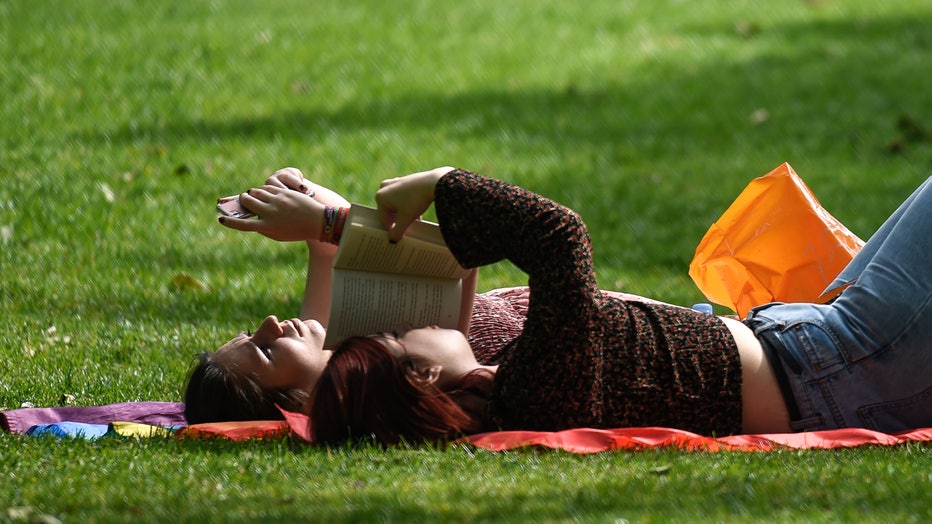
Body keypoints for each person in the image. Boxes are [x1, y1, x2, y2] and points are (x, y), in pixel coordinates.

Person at [308, 167, 932, 445]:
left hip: (823, 343)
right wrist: (443, 183)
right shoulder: (535, 390)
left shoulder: (516, 387)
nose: (413, 324)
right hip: (844, 364)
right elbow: (559, 238)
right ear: (421, 376)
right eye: (402, 337)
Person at [183, 168, 650, 423]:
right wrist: (330, 220)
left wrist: (311, 202)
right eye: (265, 350)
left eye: (251, 332)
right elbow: (462, 262)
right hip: (604, 328)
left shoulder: (337, 351)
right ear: (299, 404)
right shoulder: (424, 378)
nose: (270, 322)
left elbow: (327, 254)